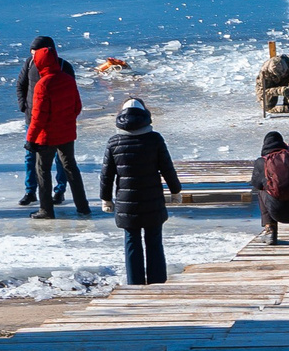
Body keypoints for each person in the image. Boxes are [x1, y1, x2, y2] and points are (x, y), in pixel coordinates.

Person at [99, 98, 182, 284]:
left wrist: (106, 199)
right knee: (154, 241)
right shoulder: (155, 139)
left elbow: (106, 175)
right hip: (152, 200)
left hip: (126, 203)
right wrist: (175, 191)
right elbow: (167, 168)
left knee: (132, 241)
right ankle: (157, 282)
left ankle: (134, 284)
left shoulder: (114, 142)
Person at [26, 40, 91, 220]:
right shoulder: (68, 79)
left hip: (46, 137)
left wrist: (30, 139)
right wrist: (66, 121)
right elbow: (77, 107)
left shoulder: (43, 85)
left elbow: (38, 117)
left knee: (43, 171)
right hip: (67, 133)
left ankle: (46, 210)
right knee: (71, 168)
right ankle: (83, 207)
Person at [15, 36, 51, 207]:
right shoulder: (29, 64)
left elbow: (71, 94)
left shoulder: (62, 66)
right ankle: (30, 191)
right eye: (32, 52)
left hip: (54, 121)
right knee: (30, 156)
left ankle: (59, 191)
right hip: (32, 119)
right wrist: (24, 106)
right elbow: (20, 85)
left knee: (61, 159)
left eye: (36, 52)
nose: (34, 55)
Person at [256, 40, 289, 114]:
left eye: (284, 72)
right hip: (272, 85)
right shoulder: (264, 73)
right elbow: (262, 92)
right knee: (267, 106)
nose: (282, 75)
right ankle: (275, 109)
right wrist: (280, 90)